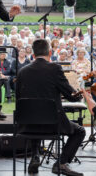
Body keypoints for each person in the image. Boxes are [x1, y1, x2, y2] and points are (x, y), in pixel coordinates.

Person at [16, 39, 85, 176]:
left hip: (27, 124)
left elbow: (19, 98)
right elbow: (71, 95)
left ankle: (35, 155)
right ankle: (61, 163)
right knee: (80, 131)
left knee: (36, 114)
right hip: (53, 125)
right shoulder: (55, 68)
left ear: (33, 54)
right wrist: (79, 95)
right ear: (50, 52)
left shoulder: (22, 71)